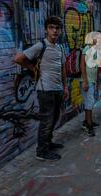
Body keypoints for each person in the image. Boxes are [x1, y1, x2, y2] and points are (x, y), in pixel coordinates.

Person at [14, 16, 69, 162]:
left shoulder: (60, 48)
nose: (55, 31)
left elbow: (62, 68)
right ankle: (41, 151)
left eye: (57, 28)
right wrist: (33, 68)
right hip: (45, 90)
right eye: (51, 27)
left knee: (54, 118)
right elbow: (19, 58)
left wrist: (65, 87)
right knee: (46, 121)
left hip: (57, 89)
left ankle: (48, 143)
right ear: (46, 30)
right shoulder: (40, 46)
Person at [81, 34, 101, 137]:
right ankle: (88, 126)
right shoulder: (86, 49)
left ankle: (87, 121)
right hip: (87, 80)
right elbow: (82, 65)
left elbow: (97, 67)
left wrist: (98, 81)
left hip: (93, 80)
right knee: (89, 103)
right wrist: (85, 81)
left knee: (90, 102)